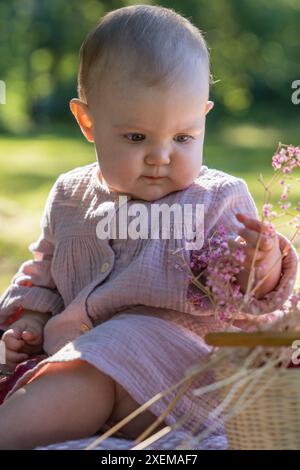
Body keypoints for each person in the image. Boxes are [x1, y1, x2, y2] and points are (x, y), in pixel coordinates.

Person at [0, 4, 298, 449]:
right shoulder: (69, 195)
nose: (161, 157)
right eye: (137, 137)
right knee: (77, 365)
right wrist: (34, 321)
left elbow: (251, 301)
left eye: (183, 137)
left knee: (114, 344)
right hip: (90, 369)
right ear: (88, 122)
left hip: (182, 380)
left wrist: (265, 263)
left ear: (204, 117)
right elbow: (43, 271)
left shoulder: (218, 198)